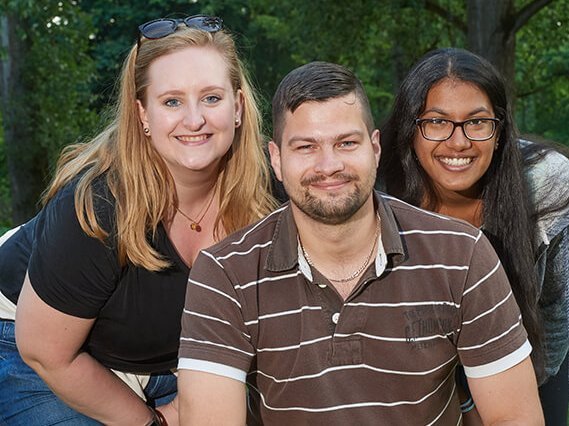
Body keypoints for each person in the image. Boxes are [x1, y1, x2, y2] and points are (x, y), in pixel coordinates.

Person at [177, 61, 544, 425]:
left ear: (375, 148)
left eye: (346, 143)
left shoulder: (462, 254)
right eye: (306, 147)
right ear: (276, 159)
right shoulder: (225, 273)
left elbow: (514, 417)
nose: (329, 164)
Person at [0, 14, 276, 425]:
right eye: (171, 101)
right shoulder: (97, 206)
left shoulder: (272, 194)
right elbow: (46, 353)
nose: (195, 119)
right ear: (142, 114)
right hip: (38, 349)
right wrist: (151, 422)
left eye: (212, 98)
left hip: (167, 363)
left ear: (237, 106)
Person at [377, 47, 569, 425]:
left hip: (529, 357)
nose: (459, 142)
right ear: (410, 129)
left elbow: (556, 310)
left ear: (499, 131)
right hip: (420, 370)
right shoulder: (381, 195)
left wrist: (514, 397)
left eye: (477, 122)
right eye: (437, 122)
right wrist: (462, 403)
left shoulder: (548, 184)